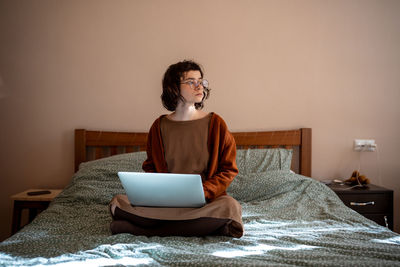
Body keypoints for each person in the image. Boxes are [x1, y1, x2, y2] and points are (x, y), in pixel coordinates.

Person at [109, 60, 243, 238]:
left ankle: (138, 228)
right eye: (191, 81)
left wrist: (203, 193)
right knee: (118, 201)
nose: (199, 86)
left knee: (230, 207)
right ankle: (206, 227)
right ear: (173, 88)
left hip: (205, 202)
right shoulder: (158, 127)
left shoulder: (216, 124)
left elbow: (228, 170)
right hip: (166, 202)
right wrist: (159, 193)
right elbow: (150, 167)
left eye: (201, 81)